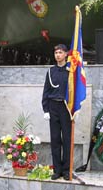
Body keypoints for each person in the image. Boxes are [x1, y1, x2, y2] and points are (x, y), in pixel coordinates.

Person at [42, 44, 71, 181]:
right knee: (55, 140)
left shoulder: (71, 70)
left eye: (60, 52)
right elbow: (46, 91)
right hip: (53, 107)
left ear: (66, 54)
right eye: (56, 53)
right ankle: (57, 170)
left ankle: (66, 170)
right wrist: (46, 109)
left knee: (66, 139)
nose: (57, 55)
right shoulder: (50, 71)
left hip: (66, 107)